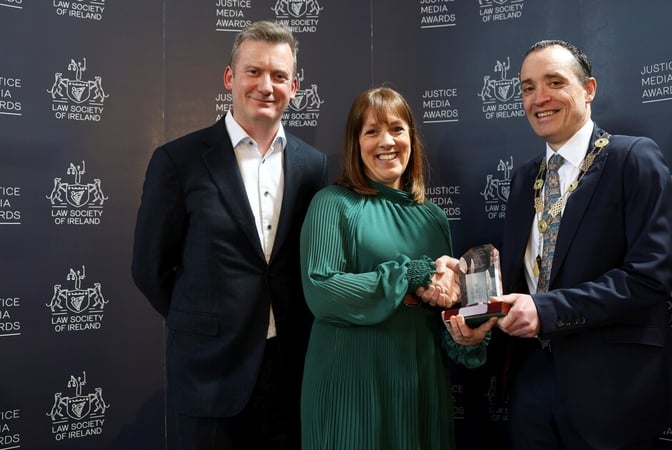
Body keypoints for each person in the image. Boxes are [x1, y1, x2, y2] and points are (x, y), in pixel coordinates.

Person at [131, 21, 328, 450]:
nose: (266, 85)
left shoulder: (314, 166)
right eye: (253, 71)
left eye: (279, 76)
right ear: (230, 78)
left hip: (292, 372)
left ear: (294, 86)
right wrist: (205, 322)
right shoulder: (178, 160)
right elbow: (150, 268)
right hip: (209, 374)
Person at [492, 40, 672, 449]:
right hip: (532, 383)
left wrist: (546, 311)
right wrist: (479, 317)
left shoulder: (632, 159)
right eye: (527, 88)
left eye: (554, 82)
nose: (539, 98)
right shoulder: (525, 177)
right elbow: (521, 281)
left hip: (613, 390)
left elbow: (650, 277)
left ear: (589, 89)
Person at [298, 86, 497, 450]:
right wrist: (412, 274)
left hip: (420, 389)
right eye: (372, 131)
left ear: (411, 138)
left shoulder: (433, 217)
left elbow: (441, 310)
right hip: (352, 393)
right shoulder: (333, 204)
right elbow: (321, 290)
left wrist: (466, 336)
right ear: (355, 143)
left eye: (396, 128)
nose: (386, 141)